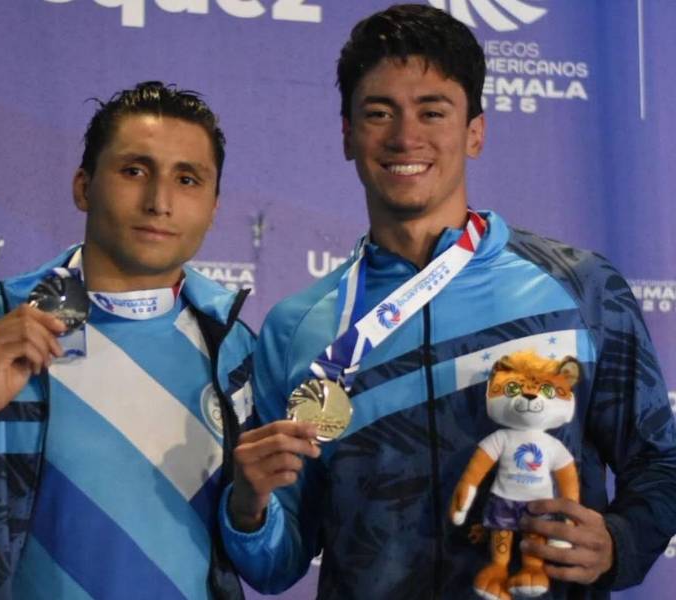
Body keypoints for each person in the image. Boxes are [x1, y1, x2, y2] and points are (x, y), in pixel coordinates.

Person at [220, 5, 676, 600]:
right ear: (347, 135)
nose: (405, 136)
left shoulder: (580, 288)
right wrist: (248, 506)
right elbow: (279, 564)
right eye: (379, 113)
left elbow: (660, 465)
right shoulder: (297, 327)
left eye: (432, 111)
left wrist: (619, 541)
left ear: (475, 132)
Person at [0, 81, 255, 599]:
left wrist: (254, 507)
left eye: (187, 179)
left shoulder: (234, 348)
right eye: (134, 170)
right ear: (83, 186)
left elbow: (273, 567)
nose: (159, 201)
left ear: (213, 207)